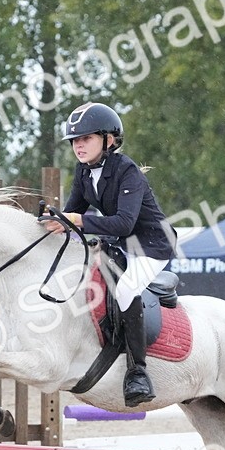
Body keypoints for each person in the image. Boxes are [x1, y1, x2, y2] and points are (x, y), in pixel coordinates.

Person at [43, 101, 174, 406]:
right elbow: (72, 212)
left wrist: (75, 220)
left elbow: (124, 222)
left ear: (109, 139)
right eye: (75, 140)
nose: (79, 146)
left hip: (151, 246)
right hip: (120, 244)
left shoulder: (128, 171)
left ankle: (138, 372)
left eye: (86, 138)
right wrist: (52, 220)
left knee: (127, 289)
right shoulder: (83, 171)